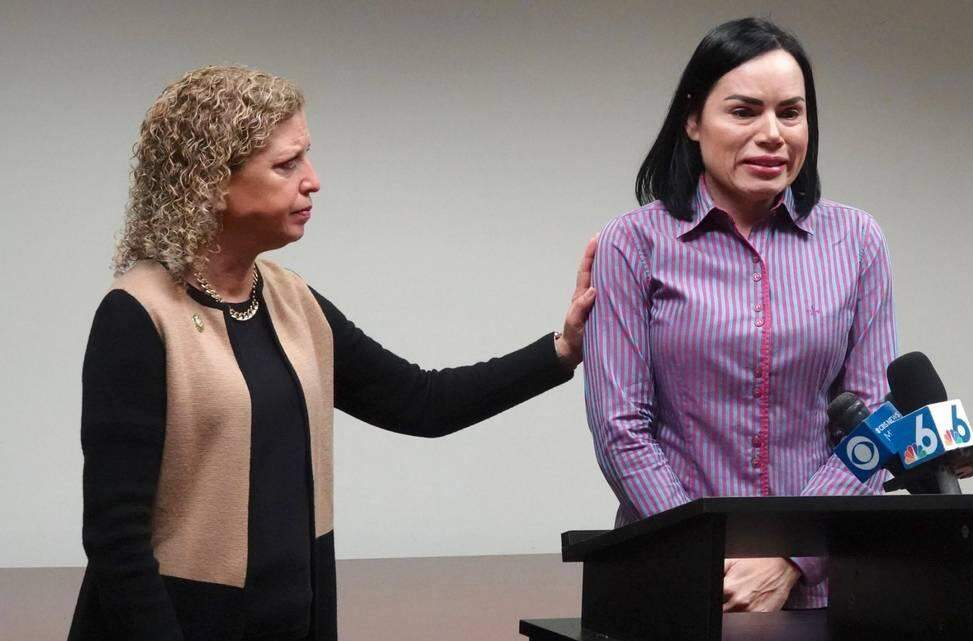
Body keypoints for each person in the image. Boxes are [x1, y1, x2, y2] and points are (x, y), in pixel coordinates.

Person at [69, 65, 597, 641]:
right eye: (286, 163)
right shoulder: (138, 315)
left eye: (307, 158)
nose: (313, 180)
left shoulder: (292, 300)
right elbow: (115, 540)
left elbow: (421, 402)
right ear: (211, 181)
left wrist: (562, 351)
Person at [583, 17, 897, 613]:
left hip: (815, 587)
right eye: (745, 111)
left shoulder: (858, 241)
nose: (772, 134)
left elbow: (874, 421)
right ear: (693, 119)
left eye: (790, 112)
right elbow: (621, 428)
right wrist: (712, 562)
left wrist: (789, 559)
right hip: (674, 576)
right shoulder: (632, 244)